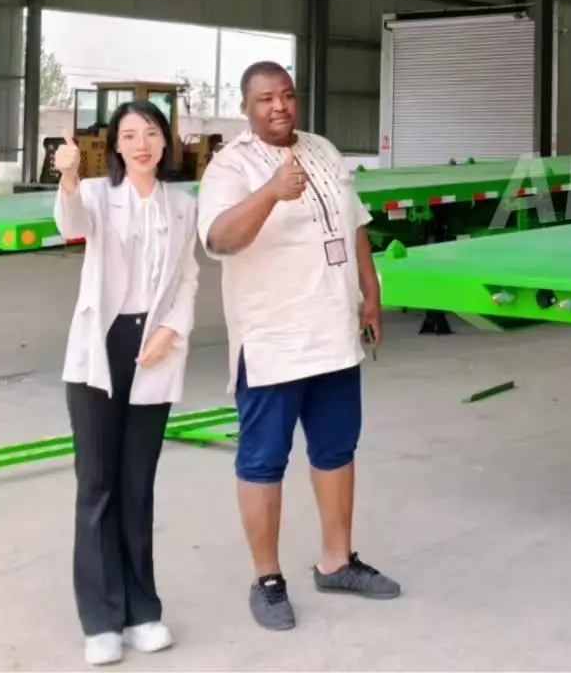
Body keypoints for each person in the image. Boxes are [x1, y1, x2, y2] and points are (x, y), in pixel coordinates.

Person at [196, 61, 399, 632]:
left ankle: (337, 562)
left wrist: (371, 293)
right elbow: (219, 239)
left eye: (287, 95)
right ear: (246, 106)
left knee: (336, 449)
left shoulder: (323, 150)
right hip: (273, 342)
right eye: (266, 99)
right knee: (264, 459)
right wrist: (271, 193)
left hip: (333, 334)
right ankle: (267, 580)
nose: (280, 106)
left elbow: (355, 225)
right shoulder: (230, 166)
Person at [54, 101, 201, 666]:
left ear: (166, 143)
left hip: (153, 348)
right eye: (130, 135)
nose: (142, 144)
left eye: (152, 133)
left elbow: (188, 277)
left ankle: (142, 611)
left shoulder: (182, 206)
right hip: (102, 346)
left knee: (137, 485)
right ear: (116, 145)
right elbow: (71, 225)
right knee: (98, 484)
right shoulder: (96, 195)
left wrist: (172, 328)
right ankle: (100, 619)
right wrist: (69, 175)